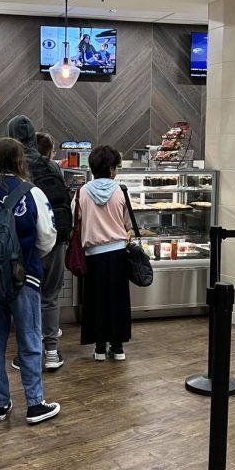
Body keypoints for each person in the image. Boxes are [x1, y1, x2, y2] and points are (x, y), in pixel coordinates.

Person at [0, 138, 60, 423]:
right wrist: (27, 256)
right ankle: (34, 404)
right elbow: (47, 237)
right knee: (29, 339)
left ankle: (0, 404)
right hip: (24, 278)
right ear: (20, 161)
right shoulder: (31, 192)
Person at [6, 117, 72, 371]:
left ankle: (26, 356)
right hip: (55, 240)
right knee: (51, 296)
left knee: (25, 297)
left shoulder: (15, 167)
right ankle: (52, 352)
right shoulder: (51, 165)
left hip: (25, 243)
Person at [76, 144, 132, 359]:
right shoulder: (120, 191)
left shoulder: (82, 192)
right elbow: (127, 224)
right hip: (117, 252)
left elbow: (77, 220)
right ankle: (117, 348)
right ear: (110, 169)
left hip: (92, 254)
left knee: (95, 300)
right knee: (117, 300)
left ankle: (99, 347)